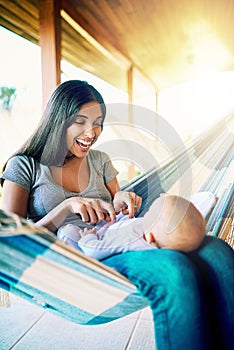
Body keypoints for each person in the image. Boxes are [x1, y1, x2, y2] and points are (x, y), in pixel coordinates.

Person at [0, 80, 233, 350]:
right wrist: (66, 207)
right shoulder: (25, 166)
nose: (92, 132)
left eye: (98, 122)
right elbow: (10, 238)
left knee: (217, 250)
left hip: (120, 241)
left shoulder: (99, 160)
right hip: (72, 266)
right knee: (173, 270)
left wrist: (122, 198)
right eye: (80, 121)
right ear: (58, 119)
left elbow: (117, 201)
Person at [57, 194, 207, 260]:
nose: (146, 215)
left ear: (150, 237)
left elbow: (95, 251)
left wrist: (88, 237)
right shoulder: (153, 230)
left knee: (66, 231)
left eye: (150, 213)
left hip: (93, 245)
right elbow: (131, 224)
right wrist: (119, 217)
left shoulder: (132, 240)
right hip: (109, 228)